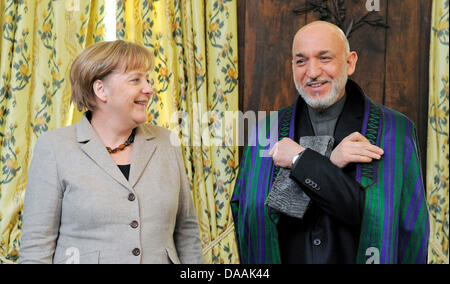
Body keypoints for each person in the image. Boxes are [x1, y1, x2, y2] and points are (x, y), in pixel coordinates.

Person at [231, 21, 429, 264]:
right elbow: (251, 218)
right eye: (301, 61)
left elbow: (386, 221)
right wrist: (331, 161)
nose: (312, 72)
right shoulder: (266, 131)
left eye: (324, 58)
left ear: (350, 62)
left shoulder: (394, 131)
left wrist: (300, 159)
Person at [19, 40, 203, 264]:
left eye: (147, 79)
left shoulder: (167, 142)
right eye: (136, 79)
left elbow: (186, 231)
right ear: (101, 90)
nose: (149, 89)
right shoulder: (54, 148)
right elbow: (36, 247)